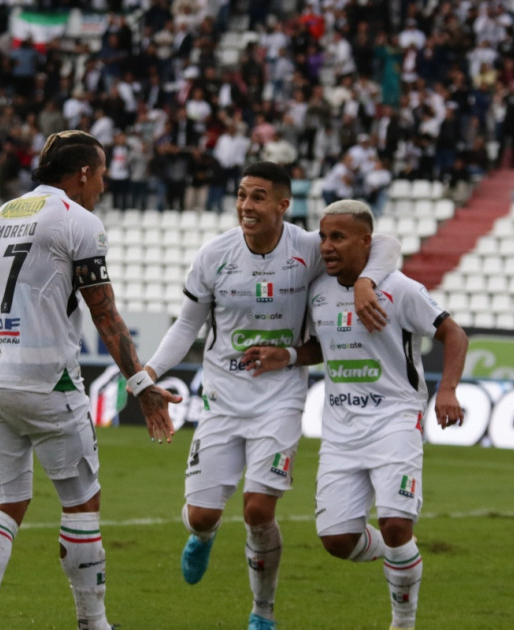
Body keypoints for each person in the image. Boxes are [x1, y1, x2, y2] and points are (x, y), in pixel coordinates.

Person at [143, 162, 401, 630]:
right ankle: (203, 536)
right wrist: (150, 371)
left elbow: (383, 243)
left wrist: (366, 281)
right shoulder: (214, 254)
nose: (247, 205)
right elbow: (187, 324)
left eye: (259, 197)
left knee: (259, 509)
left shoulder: (307, 248)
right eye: (242, 195)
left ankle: (262, 613)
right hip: (223, 396)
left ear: (284, 204)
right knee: (200, 516)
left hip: (280, 398)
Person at [0, 130, 180, 630]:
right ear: (82, 172)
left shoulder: (3, 214)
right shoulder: (77, 221)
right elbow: (105, 313)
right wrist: (142, 387)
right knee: (82, 504)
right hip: (43, 380)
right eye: (100, 174)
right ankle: (94, 624)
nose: (102, 185)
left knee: (8, 501)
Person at [242, 199, 468, 630]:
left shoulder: (399, 288)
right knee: (337, 540)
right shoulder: (318, 290)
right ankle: (402, 555)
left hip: (395, 420)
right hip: (341, 427)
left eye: (338, 237)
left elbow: (453, 334)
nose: (327, 246)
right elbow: (318, 347)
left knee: (396, 522)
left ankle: (403, 621)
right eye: (324, 236)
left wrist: (447, 389)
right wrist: (286, 354)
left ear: (366, 242)